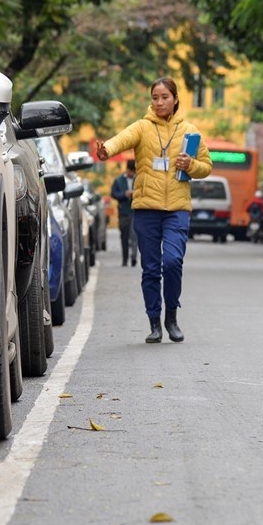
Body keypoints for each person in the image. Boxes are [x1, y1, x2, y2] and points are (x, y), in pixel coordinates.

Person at [93, 77, 212, 343]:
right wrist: (106, 150)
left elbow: (207, 166)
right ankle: (154, 323)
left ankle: (172, 318)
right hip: (146, 208)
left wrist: (191, 165)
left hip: (177, 209)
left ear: (175, 99)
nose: (159, 102)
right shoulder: (142, 127)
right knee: (150, 268)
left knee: (172, 262)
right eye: (155, 97)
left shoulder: (190, 131)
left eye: (164, 97)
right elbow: (120, 140)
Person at [111, 160, 138, 267]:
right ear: (127, 170)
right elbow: (113, 193)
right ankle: (125, 258)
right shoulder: (119, 180)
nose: (132, 173)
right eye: (131, 171)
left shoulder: (138, 178)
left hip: (135, 211)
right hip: (124, 212)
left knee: (134, 235)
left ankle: (134, 257)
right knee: (124, 237)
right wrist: (124, 194)